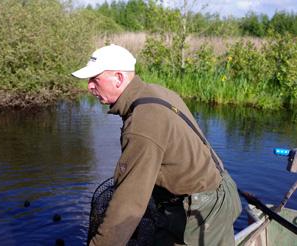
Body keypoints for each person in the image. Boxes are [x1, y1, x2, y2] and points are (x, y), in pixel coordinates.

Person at [72, 44, 242, 246]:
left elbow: (129, 203)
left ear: (118, 78)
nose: (90, 86)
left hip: (204, 208)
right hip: (217, 189)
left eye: (95, 79)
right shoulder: (156, 91)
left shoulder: (142, 124)